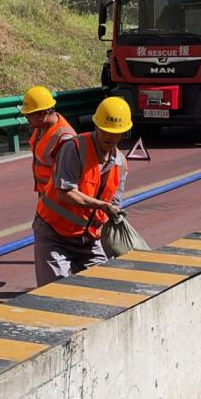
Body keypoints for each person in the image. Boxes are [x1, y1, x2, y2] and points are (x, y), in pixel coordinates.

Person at [32, 96, 130, 286]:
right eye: (105, 131)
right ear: (96, 126)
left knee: (103, 287)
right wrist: (102, 205)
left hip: (88, 241)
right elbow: (65, 193)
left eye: (115, 133)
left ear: (124, 132)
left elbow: (113, 207)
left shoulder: (121, 164)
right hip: (54, 234)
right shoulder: (74, 148)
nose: (109, 137)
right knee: (55, 293)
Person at [20, 86, 76, 195]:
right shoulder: (39, 127)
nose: (26, 117)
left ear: (43, 113)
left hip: (57, 199)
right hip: (44, 195)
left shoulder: (65, 139)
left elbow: (69, 181)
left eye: (29, 114)